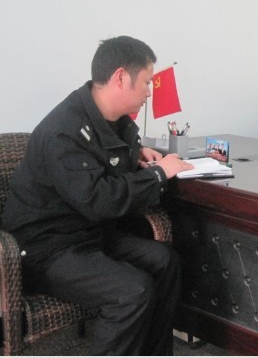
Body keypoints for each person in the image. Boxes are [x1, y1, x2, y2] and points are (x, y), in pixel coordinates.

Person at [2, 36, 194, 355]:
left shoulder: (111, 119)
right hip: (45, 247)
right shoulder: (63, 130)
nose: (149, 92)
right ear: (121, 77)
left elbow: (109, 157)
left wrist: (136, 155)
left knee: (165, 262)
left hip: (86, 234)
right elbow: (98, 199)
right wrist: (158, 174)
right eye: (147, 82)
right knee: (132, 292)